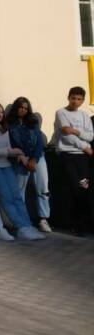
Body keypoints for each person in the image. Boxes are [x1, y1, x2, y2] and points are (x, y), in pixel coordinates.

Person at [0, 102, 45, 241]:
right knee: (6, 198)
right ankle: (21, 227)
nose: (0, 115)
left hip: (6, 165)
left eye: (1, 112)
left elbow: (9, 148)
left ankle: (28, 225)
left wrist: (20, 156)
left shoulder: (4, 127)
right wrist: (8, 152)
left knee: (17, 197)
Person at [53, 86, 94, 235]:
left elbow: (90, 136)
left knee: (84, 188)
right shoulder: (61, 113)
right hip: (68, 155)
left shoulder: (84, 116)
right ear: (68, 97)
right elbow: (65, 135)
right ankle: (75, 224)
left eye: (79, 99)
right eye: (73, 98)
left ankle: (82, 224)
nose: (75, 102)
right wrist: (85, 147)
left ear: (83, 101)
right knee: (75, 187)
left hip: (82, 158)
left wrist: (76, 131)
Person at [7, 96, 52, 234]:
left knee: (43, 188)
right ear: (16, 108)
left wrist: (34, 159)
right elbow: (10, 143)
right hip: (20, 159)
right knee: (19, 191)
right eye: (20, 107)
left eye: (26, 108)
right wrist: (23, 158)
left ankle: (43, 219)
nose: (23, 110)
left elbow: (39, 142)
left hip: (38, 158)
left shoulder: (33, 122)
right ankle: (21, 221)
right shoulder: (9, 124)